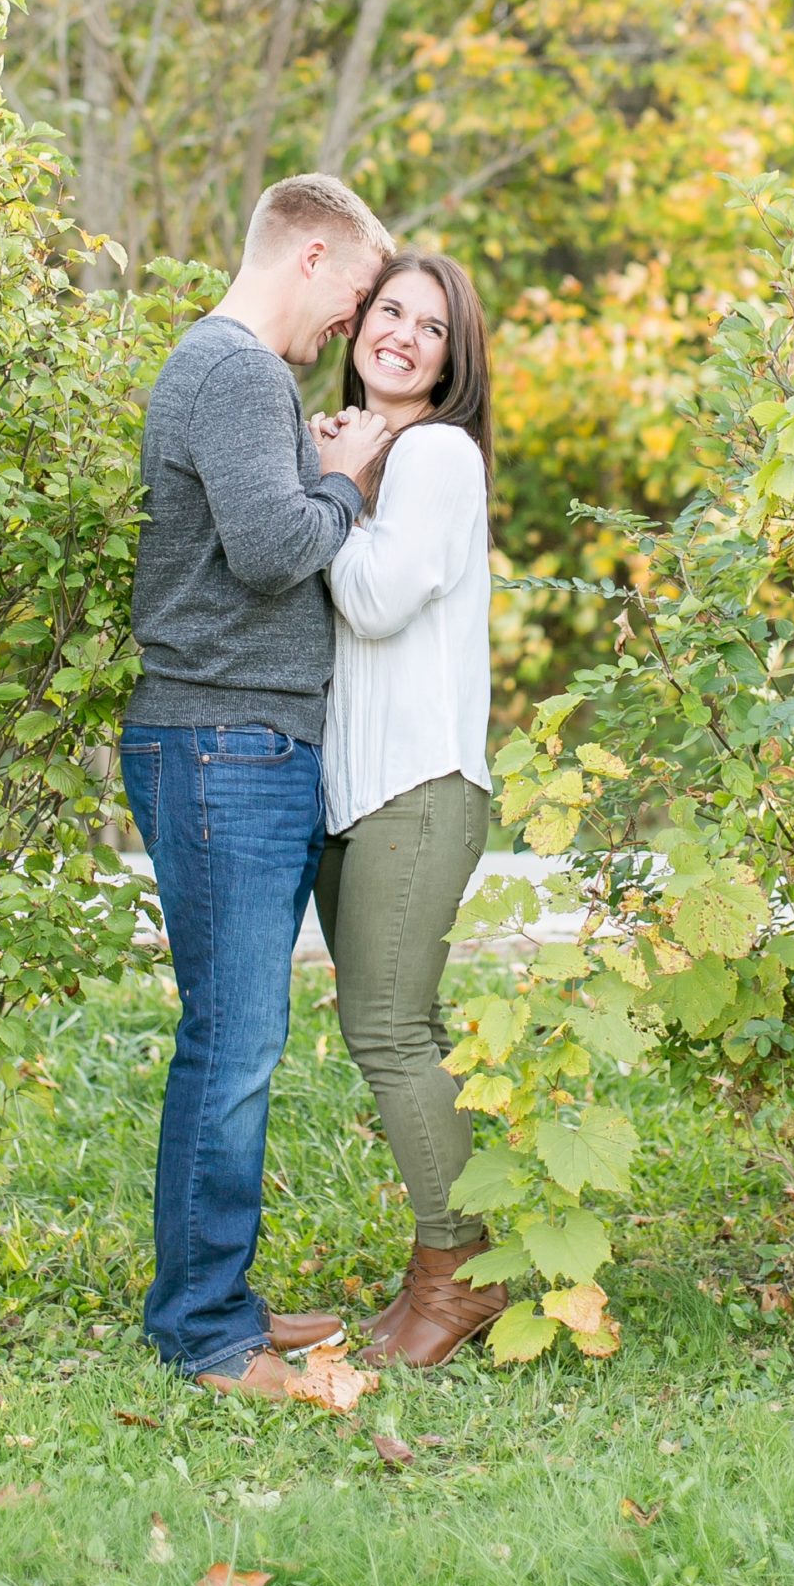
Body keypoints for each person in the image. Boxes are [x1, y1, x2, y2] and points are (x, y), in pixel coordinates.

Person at [122, 172, 392, 1396]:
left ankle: (210, 1297)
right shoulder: (234, 369)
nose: (356, 319)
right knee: (231, 1045)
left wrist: (314, 465)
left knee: (234, 1040)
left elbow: (264, 527)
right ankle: (203, 1337)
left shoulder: (240, 378)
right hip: (223, 742)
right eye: (355, 290)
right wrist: (349, 474)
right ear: (313, 253)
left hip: (238, 742)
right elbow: (276, 548)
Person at [311, 250, 508, 1367]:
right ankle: (443, 1269)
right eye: (388, 310)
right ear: (359, 324)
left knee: (386, 1030)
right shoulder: (367, 452)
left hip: (417, 786)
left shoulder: (430, 453)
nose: (400, 335)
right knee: (395, 1029)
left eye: (428, 328)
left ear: (449, 360)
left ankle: (459, 1276)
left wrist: (339, 481)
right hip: (361, 793)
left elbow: (378, 601)